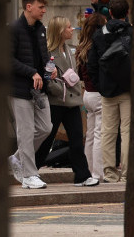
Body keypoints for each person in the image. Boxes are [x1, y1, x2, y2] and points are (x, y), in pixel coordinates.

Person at [34, 16, 97, 186]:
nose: (72, 29)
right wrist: (59, 88)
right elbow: (47, 77)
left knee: (76, 139)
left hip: (72, 102)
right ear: (60, 31)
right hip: (56, 102)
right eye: (68, 27)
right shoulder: (48, 52)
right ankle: (32, 171)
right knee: (47, 140)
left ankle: (82, 176)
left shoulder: (70, 50)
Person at [6, 0, 53, 189]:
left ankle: (17, 158)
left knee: (46, 127)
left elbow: (44, 55)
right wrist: (32, 72)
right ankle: (29, 175)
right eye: (40, 7)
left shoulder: (41, 29)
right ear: (28, 7)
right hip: (20, 89)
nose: (44, 11)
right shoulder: (14, 29)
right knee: (25, 133)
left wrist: (50, 69)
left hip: (39, 89)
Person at [85, 0, 133, 182]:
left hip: (107, 90)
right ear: (127, 12)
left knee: (108, 132)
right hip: (128, 90)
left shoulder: (99, 34)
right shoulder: (133, 33)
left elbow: (92, 65)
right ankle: (127, 172)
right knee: (127, 131)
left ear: (110, 12)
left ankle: (110, 173)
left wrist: (100, 85)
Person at [75, 11, 107, 182]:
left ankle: (88, 171)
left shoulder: (81, 47)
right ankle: (98, 173)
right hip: (98, 93)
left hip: (87, 93)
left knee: (90, 135)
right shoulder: (98, 47)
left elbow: (80, 74)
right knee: (99, 135)